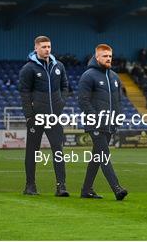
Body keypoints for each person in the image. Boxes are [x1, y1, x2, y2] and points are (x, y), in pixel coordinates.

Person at [18, 36, 69, 196]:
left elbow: (65, 86)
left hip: (54, 117)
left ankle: (61, 187)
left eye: (49, 46)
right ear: (36, 48)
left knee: (58, 150)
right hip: (36, 117)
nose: (47, 49)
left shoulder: (58, 66)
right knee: (32, 152)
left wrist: (61, 102)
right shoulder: (28, 68)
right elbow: (24, 92)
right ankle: (30, 186)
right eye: (44, 46)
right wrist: (29, 115)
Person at [78, 44, 128, 200]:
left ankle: (86, 190)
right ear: (97, 57)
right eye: (105, 56)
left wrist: (118, 117)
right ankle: (117, 188)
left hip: (109, 124)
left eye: (110, 56)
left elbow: (118, 100)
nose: (108, 59)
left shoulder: (114, 76)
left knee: (97, 158)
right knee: (104, 155)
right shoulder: (88, 75)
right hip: (95, 124)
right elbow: (83, 101)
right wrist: (95, 118)